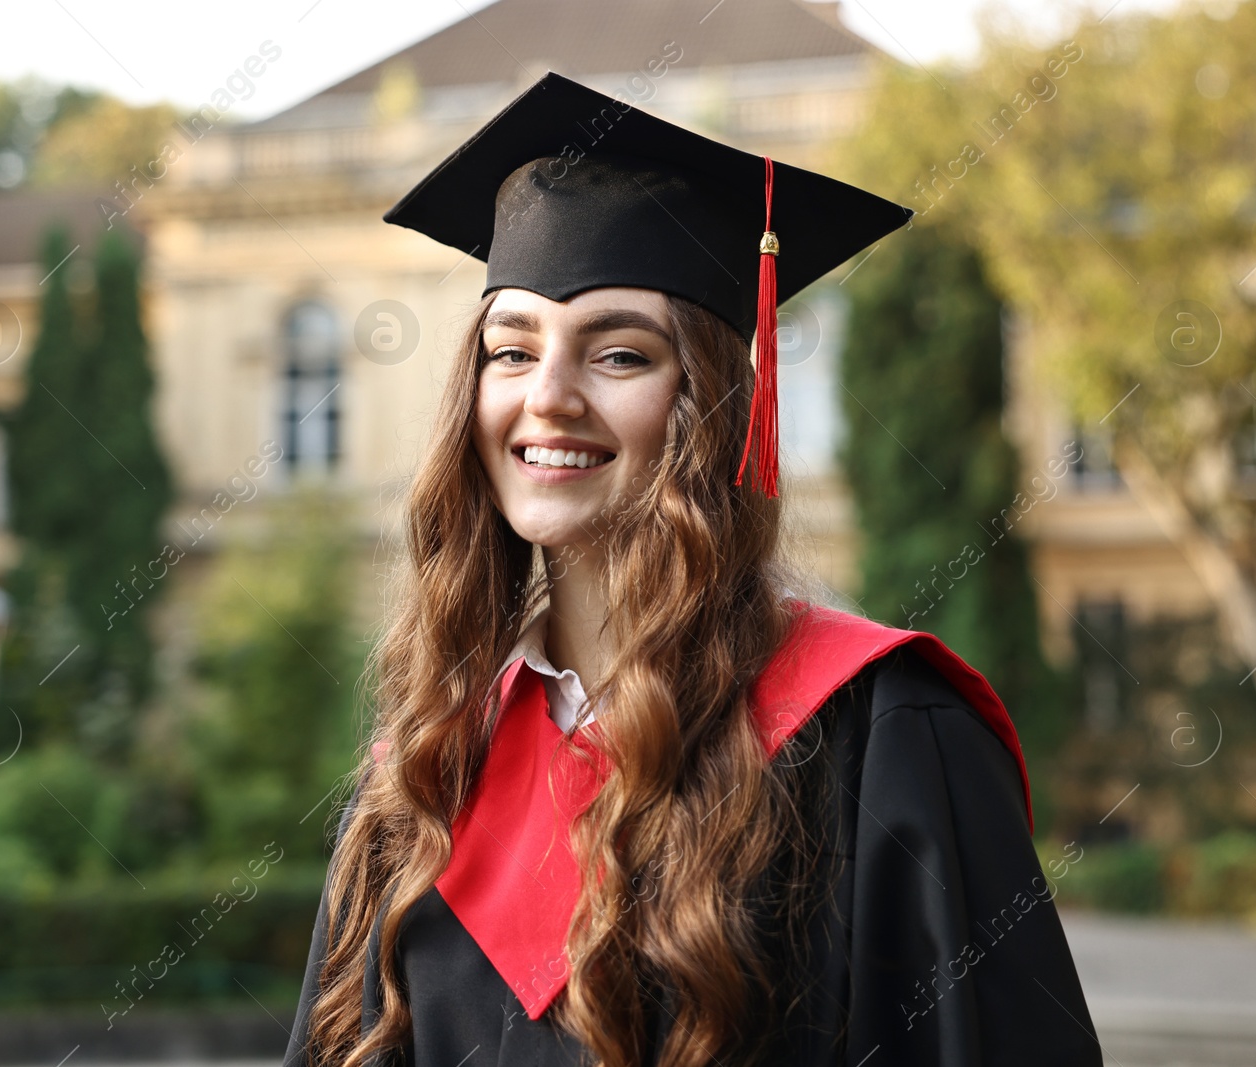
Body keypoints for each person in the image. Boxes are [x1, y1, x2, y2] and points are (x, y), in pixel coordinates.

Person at [284, 72, 1101, 1067]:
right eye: (511, 351)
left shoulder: (881, 734)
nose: (548, 397)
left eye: (619, 355)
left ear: (714, 401)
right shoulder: (423, 774)